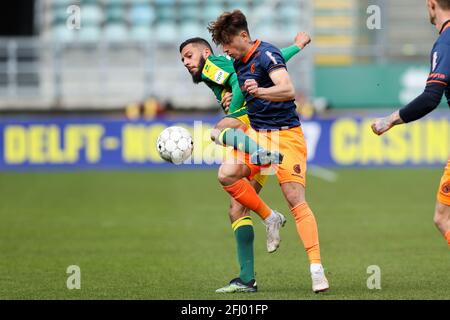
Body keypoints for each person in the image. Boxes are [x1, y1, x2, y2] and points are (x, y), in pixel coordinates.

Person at [208, 10, 329, 293]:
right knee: (226, 174)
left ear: (243, 36)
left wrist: (260, 91)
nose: (225, 50)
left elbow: (287, 90)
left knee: (295, 200)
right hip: (258, 138)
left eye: (227, 42)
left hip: (286, 137)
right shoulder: (239, 63)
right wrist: (231, 105)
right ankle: (269, 218)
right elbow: (247, 95)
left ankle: (316, 270)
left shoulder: (267, 54)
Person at [179, 33, 311, 293]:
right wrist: (297, 46)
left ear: (205, 53)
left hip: (254, 124)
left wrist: (236, 105)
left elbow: (241, 81)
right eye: (182, 59)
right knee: (237, 210)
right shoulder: (220, 69)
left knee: (218, 130)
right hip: (261, 132)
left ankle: (269, 211)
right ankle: (247, 278)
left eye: (189, 55)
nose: (185, 62)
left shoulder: (211, 66)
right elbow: (269, 60)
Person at [372, 0, 450, 247]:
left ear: (432, 5)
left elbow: (430, 98)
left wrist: (390, 120)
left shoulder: (446, 42)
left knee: (443, 218)